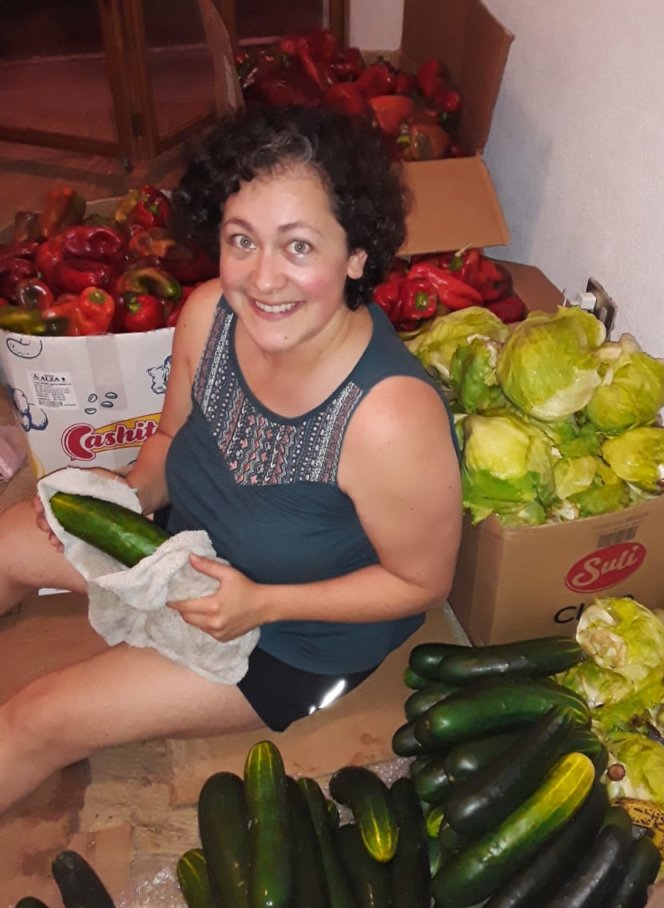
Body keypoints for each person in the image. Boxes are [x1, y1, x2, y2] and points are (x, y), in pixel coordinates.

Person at [0, 104, 462, 814]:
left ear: (358, 255)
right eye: (241, 240)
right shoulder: (210, 313)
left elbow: (421, 581)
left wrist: (265, 602)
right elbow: (164, 445)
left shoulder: (389, 418)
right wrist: (123, 493)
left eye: (299, 247)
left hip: (286, 640)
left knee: (38, 717)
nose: (264, 280)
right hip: (176, 550)